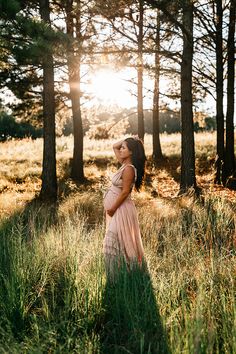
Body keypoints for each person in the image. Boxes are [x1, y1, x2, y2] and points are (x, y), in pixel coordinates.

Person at [103, 136, 146, 278]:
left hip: (121, 209)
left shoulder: (129, 169)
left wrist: (113, 208)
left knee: (116, 240)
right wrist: (129, 140)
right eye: (122, 147)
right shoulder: (123, 163)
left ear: (131, 152)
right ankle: (117, 275)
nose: (120, 149)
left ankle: (125, 274)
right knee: (117, 241)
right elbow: (114, 145)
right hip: (117, 209)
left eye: (124, 148)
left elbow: (125, 192)